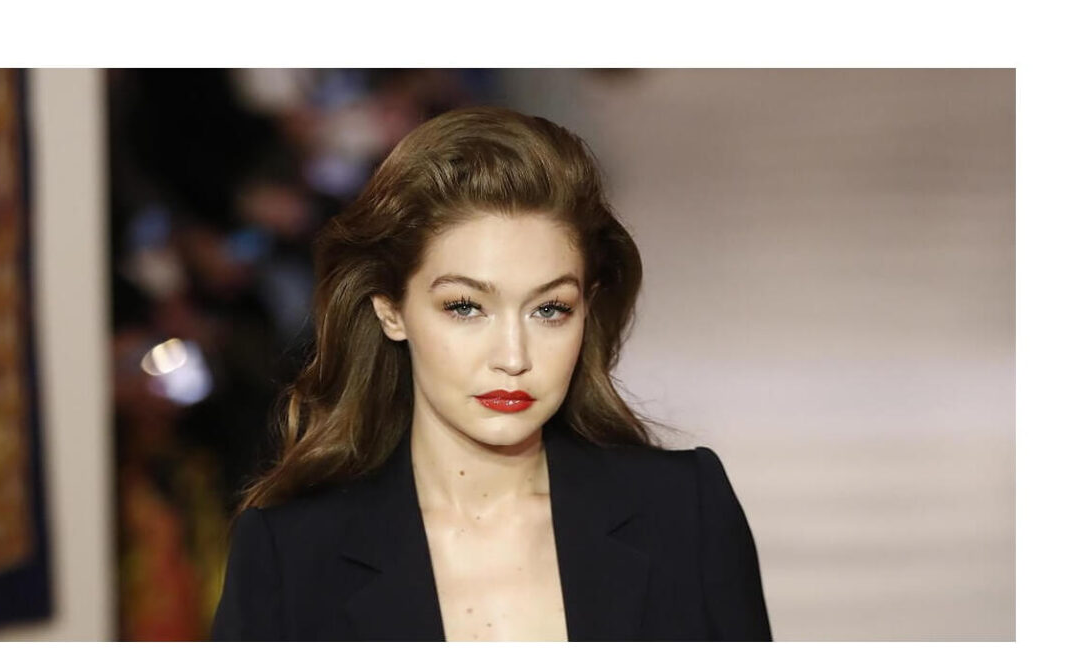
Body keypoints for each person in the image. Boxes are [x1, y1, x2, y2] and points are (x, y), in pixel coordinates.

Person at [211, 106, 771, 641]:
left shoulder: (685, 513)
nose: (513, 356)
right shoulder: (291, 557)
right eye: (465, 307)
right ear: (390, 309)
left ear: (587, 310)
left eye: (549, 309)